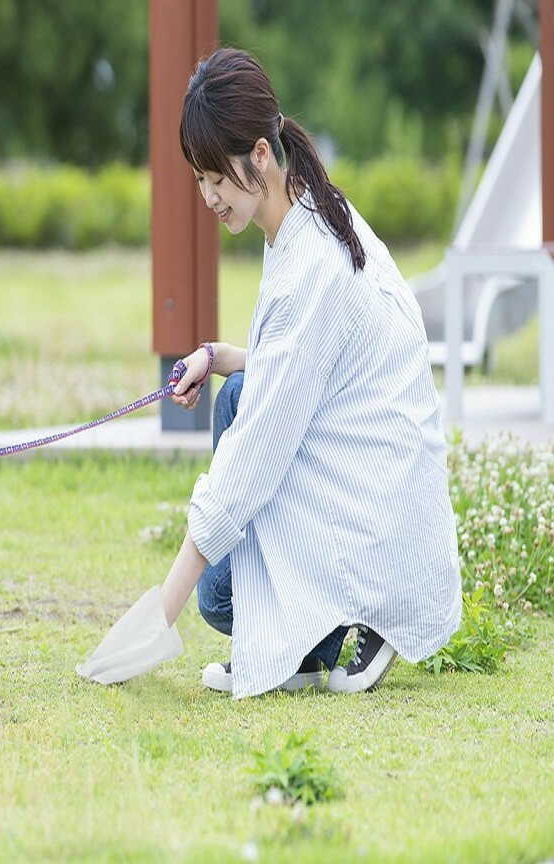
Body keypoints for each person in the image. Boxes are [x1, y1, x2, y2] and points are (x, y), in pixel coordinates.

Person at [80, 47, 462, 699]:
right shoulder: (309, 209)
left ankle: (361, 614)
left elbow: (258, 450)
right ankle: (304, 646)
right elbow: (311, 363)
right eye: (199, 179)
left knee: (217, 595)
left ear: (260, 155)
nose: (208, 196)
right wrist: (218, 355)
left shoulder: (309, 264)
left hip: (379, 507)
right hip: (369, 472)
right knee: (238, 394)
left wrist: (158, 614)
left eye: (216, 178)